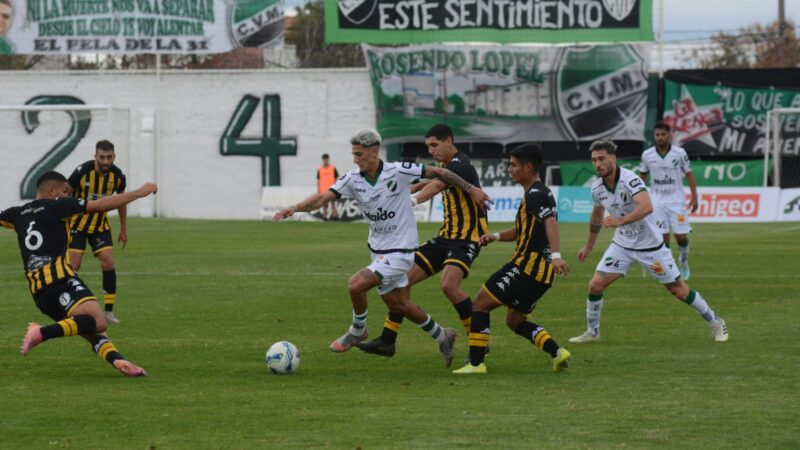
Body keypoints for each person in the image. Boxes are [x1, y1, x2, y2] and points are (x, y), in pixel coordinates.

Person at [273, 128, 492, 367]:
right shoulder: (352, 178)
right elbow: (323, 198)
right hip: (385, 249)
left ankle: (358, 330)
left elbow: (439, 177)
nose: (356, 159)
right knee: (399, 303)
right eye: (353, 154)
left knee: (356, 285)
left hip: (407, 250)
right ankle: (441, 336)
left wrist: (469, 189)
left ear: (374, 151)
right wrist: (295, 207)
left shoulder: (399, 170)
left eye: (359, 154)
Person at [568, 139, 728, 344]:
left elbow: (646, 206)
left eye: (602, 158)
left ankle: (715, 322)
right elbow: (596, 215)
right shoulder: (597, 188)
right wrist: (589, 245)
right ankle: (593, 332)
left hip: (650, 247)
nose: (597, 164)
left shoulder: (630, 180)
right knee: (595, 286)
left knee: (678, 290)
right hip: (622, 246)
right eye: (593, 160)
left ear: (613, 158)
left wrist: (621, 220)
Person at [0, 171, 157, 376]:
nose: (68, 195)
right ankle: (41, 333)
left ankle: (119, 362)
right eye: (65, 191)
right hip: (60, 281)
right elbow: (101, 205)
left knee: (93, 332)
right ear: (51, 191)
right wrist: (139, 192)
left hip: (39, 295)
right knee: (98, 321)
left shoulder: (16, 213)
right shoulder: (59, 206)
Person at [357, 123, 489, 358]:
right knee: (401, 283)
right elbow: (430, 181)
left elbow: (438, 185)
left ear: (449, 141)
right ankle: (387, 341)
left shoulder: (462, 165)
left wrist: (411, 202)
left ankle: (478, 340)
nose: (431, 150)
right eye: (428, 146)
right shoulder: (445, 166)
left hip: (467, 238)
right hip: (445, 237)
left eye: (434, 145)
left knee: (449, 285)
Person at [453, 143, 572, 374]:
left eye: (514, 164)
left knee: (479, 304)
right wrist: (495, 236)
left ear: (528, 167)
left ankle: (476, 363)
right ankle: (558, 352)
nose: (509, 169)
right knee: (514, 321)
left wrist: (557, 255)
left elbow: (550, 222)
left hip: (526, 267)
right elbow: (522, 230)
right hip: (542, 275)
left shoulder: (536, 194)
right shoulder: (539, 192)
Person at [67, 140, 128, 324]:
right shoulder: (82, 172)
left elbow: (121, 201)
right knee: (73, 266)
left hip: (100, 226)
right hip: (77, 224)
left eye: (109, 157)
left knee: (108, 261)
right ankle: (70, 306)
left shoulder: (118, 176)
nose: (106, 161)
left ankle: (108, 312)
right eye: (102, 157)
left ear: (114, 157)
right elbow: (65, 193)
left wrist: (124, 228)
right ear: (95, 156)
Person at [639, 121, 698, 280]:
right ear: (654, 136)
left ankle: (683, 261)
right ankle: (670, 268)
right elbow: (642, 178)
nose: (660, 138)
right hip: (657, 202)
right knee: (662, 238)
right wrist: (639, 199)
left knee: (681, 237)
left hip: (676, 202)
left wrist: (694, 196)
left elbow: (689, 174)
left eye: (663, 135)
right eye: (657, 135)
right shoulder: (647, 155)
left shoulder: (679, 153)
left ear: (669, 135)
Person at [317, 153, 340, 220]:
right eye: (324, 159)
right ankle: (325, 217)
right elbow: (318, 181)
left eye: (326, 159)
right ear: (322, 160)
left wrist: (337, 188)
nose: (325, 160)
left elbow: (336, 179)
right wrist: (318, 190)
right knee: (324, 204)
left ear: (328, 159)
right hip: (323, 190)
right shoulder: (320, 169)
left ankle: (335, 216)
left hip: (332, 189)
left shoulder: (333, 168)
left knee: (333, 204)